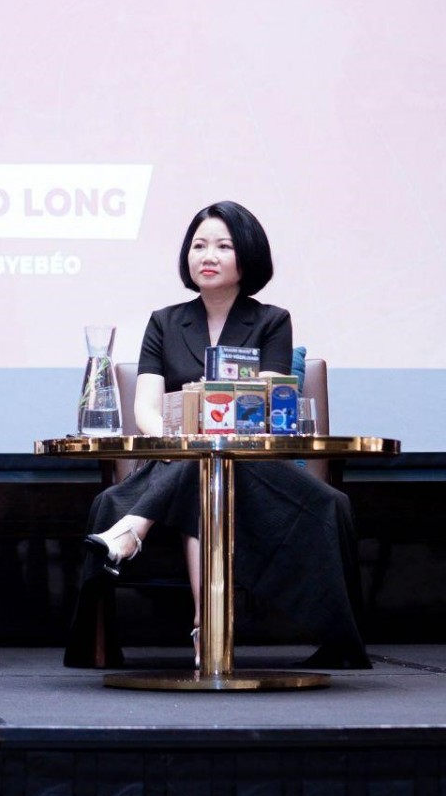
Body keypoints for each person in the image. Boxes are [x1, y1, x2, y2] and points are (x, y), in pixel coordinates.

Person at [65, 202, 369, 669]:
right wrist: (182, 441)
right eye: (199, 245)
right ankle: (205, 625)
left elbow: (264, 403)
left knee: (213, 467)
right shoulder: (164, 322)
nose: (208, 256)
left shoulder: (272, 321)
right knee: (201, 474)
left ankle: (132, 532)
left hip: (253, 468)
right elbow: (145, 408)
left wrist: (206, 437)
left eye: (223, 246)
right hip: (178, 460)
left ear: (247, 256)